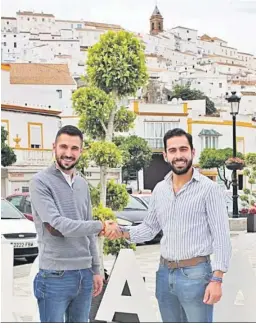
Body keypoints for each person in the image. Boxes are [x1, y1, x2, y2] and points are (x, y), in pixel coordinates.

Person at [103, 128, 232, 323]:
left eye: (183, 149)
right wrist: (121, 231)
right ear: (165, 155)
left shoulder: (209, 189)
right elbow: (149, 229)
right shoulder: (160, 189)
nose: (178, 155)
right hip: (164, 274)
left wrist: (217, 279)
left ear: (192, 152)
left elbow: (222, 236)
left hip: (196, 275)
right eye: (173, 150)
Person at [30, 125, 113, 323]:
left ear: (81, 151)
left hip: (84, 275)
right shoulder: (40, 182)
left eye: (74, 148)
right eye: (63, 147)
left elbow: (88, 233)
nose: (68, 153)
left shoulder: (82, 184)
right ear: (54, 147)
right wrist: (100, 226)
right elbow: (59, 226)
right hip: (54, 276)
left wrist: (95, 269)